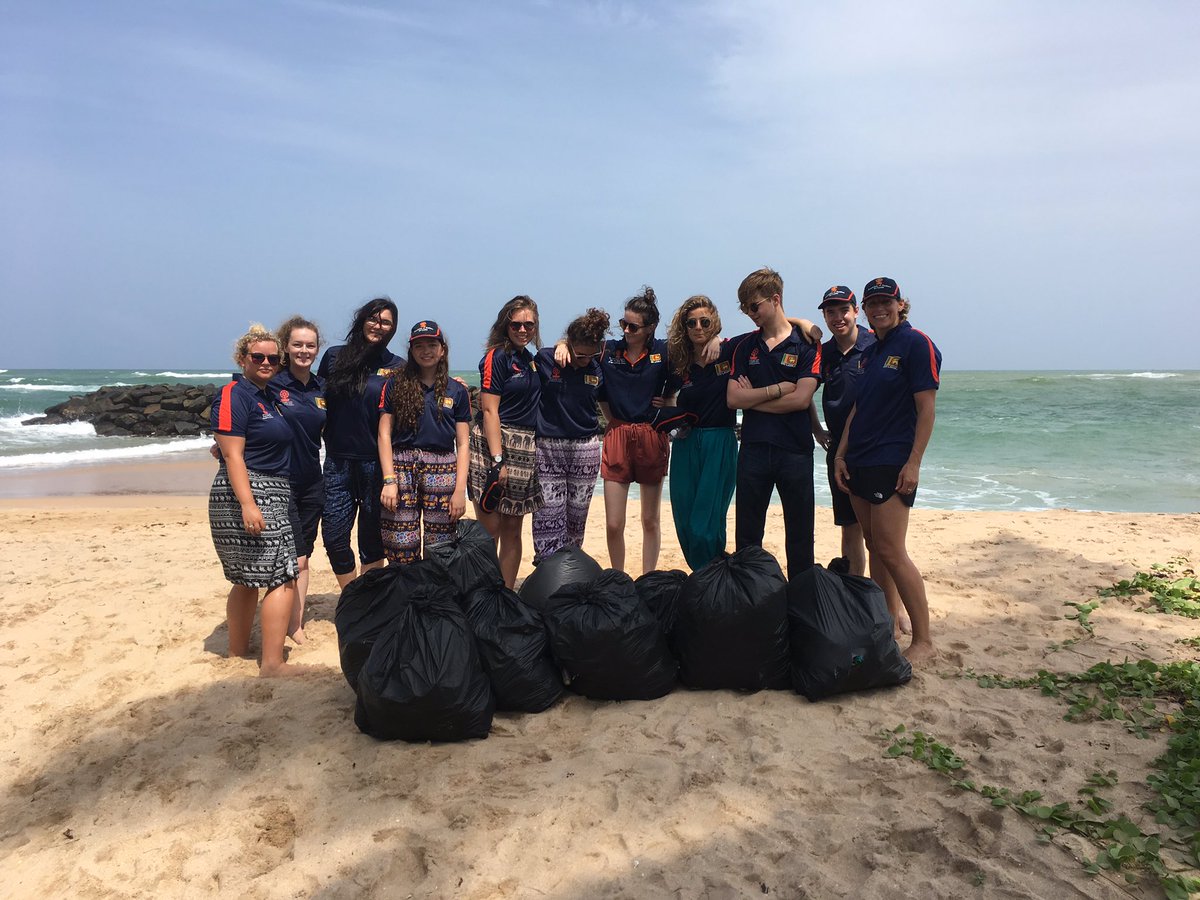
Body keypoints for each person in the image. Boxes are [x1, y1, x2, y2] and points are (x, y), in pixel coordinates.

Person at [834, 277, 941, 664]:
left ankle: (924, 641)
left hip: (891, 461)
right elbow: (858, 410)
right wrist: (841, 456)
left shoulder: (916, 344)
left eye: (886, 301)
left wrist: (913, 463)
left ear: (900, 305)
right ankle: (888, 622)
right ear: (864, 309)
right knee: (873, 547)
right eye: (872, 303)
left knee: (893, 551)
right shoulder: (871, 352)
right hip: (859, 460)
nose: (879, 308)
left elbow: (926, 409)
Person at [808, 286, 908, 635]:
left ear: (856, 311)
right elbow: (806, 389)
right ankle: (859, 602)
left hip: (877, 454)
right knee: (851, 532)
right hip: (839, 454)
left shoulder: (875, 344)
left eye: (843, 310)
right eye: (829, 312)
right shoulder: (824, 353)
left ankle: (890, 610)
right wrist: (817, 430)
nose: (838, 318)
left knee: (885, 542)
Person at [209, 325, 300, 677]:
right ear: (242, 359)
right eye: (257, 357)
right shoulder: (235, 393)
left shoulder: (267, 396)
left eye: (273, 358)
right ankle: (273, 664)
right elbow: (233, 456)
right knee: (282, 575)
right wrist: (248, 503)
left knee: (247, 577)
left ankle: (236, 652)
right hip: (250, 491)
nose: (266, 362)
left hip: (265, 489)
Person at [727, 267, 822, 580]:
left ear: (775, 299)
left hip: (794, 451)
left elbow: (801, 400)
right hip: (753, 450)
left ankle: (802, 602)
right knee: (747, 537)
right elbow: (733, 401)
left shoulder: (807, 344)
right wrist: (778, 389)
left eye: (754, 306)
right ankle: (749, 599)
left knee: (799, 537)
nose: (750, 314)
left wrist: (753, 397)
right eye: (745, 308)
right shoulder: (745, 347)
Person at [317, 298, 405, 589]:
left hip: (377, 466)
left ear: (393, 329)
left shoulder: (398, 367)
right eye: (373, 319)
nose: (378, 326)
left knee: (372, 539)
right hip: (338, 461)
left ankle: (366, 600)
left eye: (386, 322)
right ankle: (351, 593)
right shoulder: (333, 357)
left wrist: (451, 386)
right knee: (334, 535)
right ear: (361, 320)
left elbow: (418, 405)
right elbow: (310, 402)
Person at [377, 321, 471, 564]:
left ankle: (436, 599)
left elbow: (462, 443)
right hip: (401, 466)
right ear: (411, 350)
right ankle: (406, 598)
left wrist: (460, 491)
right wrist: (389, 480)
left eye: (432, 344)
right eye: (419, 345)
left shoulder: (457, 390)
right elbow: (384, 434)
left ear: (442, 350)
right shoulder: (395, 384)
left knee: (441, 545)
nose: (426, 350)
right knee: (400, 543)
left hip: (443, 467)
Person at [469, 295, 544, 588]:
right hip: (494, 445)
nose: (523, 329)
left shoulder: (530, 360)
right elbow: (489, 410)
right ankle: (484, 595)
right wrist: (497, 460)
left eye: (529, 324)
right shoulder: (496, 357)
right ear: (505, 324)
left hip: (525, 446)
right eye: (516, 324)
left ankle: (504, 594)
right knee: (490, 531)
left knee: (513, 530)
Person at [595, 287, 671, 574]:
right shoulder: (608, 351)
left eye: (633, 326)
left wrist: (668, 405)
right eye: (623, 323)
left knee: (649, 520)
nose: (626, 330)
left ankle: (649, 578)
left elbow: (678, 385)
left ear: (650, 328)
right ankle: (619, 577)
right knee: (614, 522)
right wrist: (614, 423)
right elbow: (600, 393)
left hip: (652, 435)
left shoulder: (663, 351)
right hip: (617, 434)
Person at [662, 295, 738, 570]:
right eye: (691, 322)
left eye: (705, 321)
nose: (698, 327)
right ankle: (704, 575)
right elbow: (668, 396)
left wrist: (718, 339)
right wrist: (673, 421)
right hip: (685, 443)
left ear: (714, 322)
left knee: (705, 522)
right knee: (683, 517)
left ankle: (712, 573)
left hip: (719, 440)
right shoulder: (679, 363)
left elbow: (770, 327)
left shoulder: (730, 351)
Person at [531, 308, 609, 563]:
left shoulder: (596, 369)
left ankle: (571, 567)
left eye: (591, 354)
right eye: (580, 354)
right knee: (548, 513)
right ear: (570, 344)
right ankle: (546, 568)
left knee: (577, 516)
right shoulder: (546, 359)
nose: (586, 359)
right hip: (548, 446)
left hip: (585, 446)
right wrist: (561, 346)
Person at [269, 316, 326, 643]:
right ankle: (281, 624)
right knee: (291, 557)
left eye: (310, 345)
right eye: (297, 345)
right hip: (278, 481)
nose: (304, 351)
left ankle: (296, 624)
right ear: (286, 347)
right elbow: (243, 414)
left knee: (305, 555)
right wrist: (222, 443)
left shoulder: (321, 387)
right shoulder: (272, 384)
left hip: (311, 481)